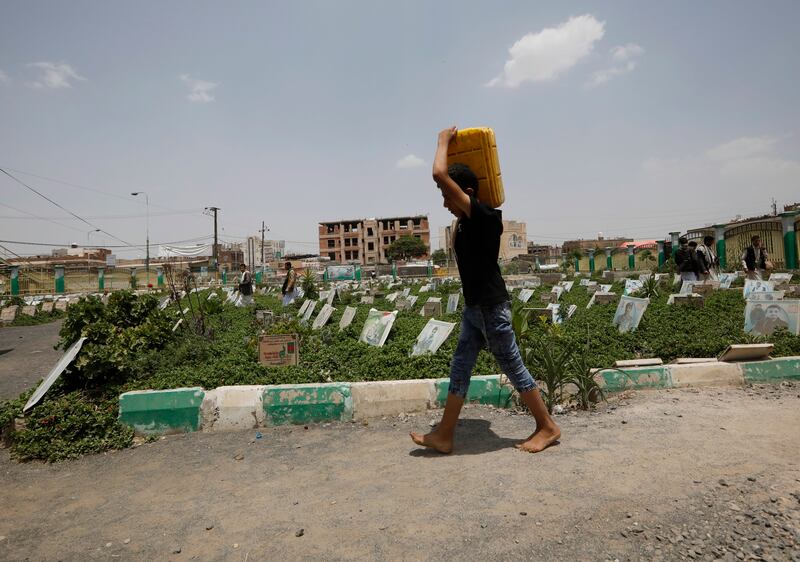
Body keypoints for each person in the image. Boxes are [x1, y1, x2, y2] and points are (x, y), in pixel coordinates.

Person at [410, 126, 560, 455]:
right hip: (475, 308)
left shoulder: (485, 217)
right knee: (461, 366)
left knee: (512, 366)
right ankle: (445, 434)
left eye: (448, 196)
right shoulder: (465, 223)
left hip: (491, 308)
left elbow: (438, 172)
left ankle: (547, 426)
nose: (445, 204)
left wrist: (442, 142)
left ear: (465, 192)